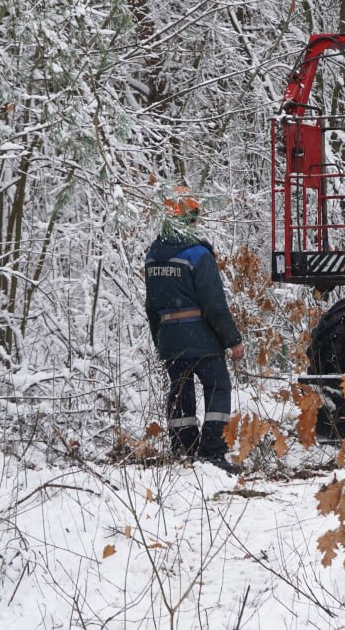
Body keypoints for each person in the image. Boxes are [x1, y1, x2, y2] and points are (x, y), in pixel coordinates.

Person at [144, 187, 245, 475]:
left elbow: (151, 306)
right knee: (218, 387)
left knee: (180, 392)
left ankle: (183, 448)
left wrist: (159, 340)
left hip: (170, 340)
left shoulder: (153, 255)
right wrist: (233, 340)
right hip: (201, 337)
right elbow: (214, 305)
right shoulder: (198, 254)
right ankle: (212, 451)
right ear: (190, 217)